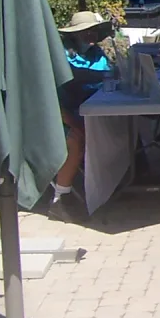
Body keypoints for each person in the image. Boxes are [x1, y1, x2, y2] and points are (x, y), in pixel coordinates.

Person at [51, 11, 114, 217]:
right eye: (86, 31)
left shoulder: (96, 53)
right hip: (60, 113)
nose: (91, 35)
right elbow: (70, 79)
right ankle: (60, 199)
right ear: (74, 34)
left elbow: (107, 75)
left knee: (118, 124)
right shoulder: (61, 55)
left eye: (94, 31)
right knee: (76, 139)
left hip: (89, 110)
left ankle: (117, 180)